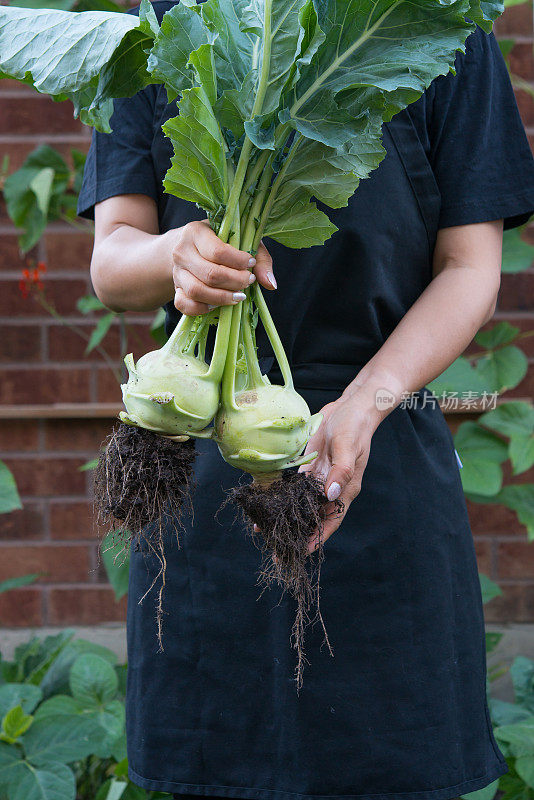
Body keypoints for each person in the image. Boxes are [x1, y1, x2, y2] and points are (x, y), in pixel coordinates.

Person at [78, 2, 534, 799]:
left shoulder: (436, 20)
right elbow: (113, 260)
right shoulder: (156, 22)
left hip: (381, 447)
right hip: (202, 469)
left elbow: (471, 269)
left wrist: (367, 403)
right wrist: (175, 254)